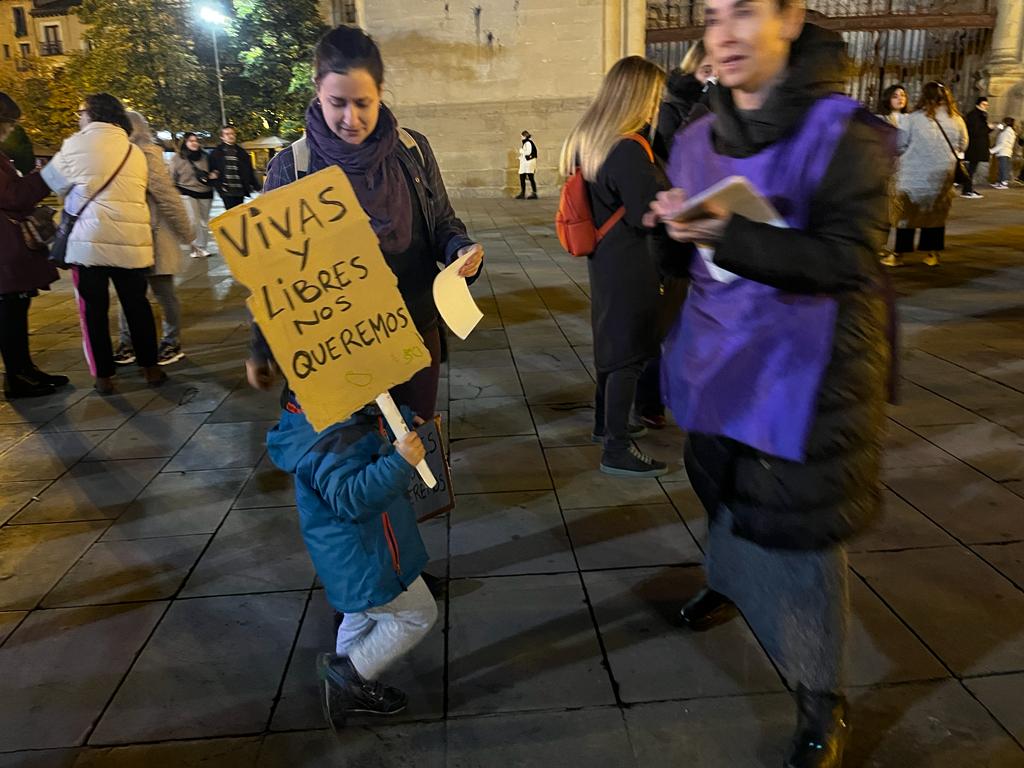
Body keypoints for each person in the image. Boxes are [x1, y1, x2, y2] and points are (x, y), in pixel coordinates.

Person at [649, 6, 894, 766]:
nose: (723, 33)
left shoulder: (844, 136)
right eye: (712, 15)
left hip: (805, 375)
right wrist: (669, 229)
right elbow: (681, 265)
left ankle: (822, 698)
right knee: (719, 488)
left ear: (789, 18)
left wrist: (729, 234)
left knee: (801, 537)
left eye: (745, 10)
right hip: (718, 361)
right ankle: (727, 584)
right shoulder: (697, 136)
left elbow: (850, 261)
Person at [246, 25, 483, 424]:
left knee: (413, 446)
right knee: (352, 457)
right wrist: (260, 346)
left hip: (413, 332)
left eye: (363, 103)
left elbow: (443, 221)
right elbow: (272, 274)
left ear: (381, 92)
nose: (351, 118)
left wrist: (460, 249)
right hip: (334, 348)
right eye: (337, 102)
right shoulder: (291, 167)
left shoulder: (412, 150)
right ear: (317, 90)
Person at [266, 395, 436, 728]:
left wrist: (403, 417)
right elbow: (350, 498)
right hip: (366, 558)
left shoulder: (338, 412)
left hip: (365, 552)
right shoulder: (328, 441)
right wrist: (399, 462)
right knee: (416, 615)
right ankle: (349, 676)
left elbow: (368, 419)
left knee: (360, 615)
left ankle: (345, 684)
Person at [559, 56, 671, 478]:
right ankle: (617, 448)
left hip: (605, 259)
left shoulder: (591, 141)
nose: (656, 106)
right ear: (637, 97)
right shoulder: (627, 148)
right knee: (629, 353)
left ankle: (604, 424)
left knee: (611, 343)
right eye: (654, 97)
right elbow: (646, 213)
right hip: (632, 261)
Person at [40, 93, 165, 395]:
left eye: (80, 111)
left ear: (92, 113)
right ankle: (150, 367)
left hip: (89, 243)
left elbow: (53, 182)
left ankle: (103, 376)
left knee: (93, 311)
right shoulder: (133, 151)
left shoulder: (76, 144)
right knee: (137, 305)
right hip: (131, 241)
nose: (79, 117)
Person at [0, 91, 68, 399]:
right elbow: (11, 196)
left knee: (17, 306)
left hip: (8, 244)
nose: (12, 129)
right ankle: (17, 376)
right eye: (10, 122)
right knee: (10, 311)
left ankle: (25, 369)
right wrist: (44, 178)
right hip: (5, 248)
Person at [113, 112, 193, 368]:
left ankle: (171, 341)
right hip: (129, 235)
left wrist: (186, 231)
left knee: (163, 292)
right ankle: (128, 342)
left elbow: (166, 195)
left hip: (154, 234)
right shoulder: (114, 155)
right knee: (128, 293)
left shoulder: (148, 154)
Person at [885, 81, 967, 268]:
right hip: (943, 175)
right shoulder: (957, 120)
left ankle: (898, 255)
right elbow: (963, 144)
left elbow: (900, 145)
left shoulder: (912, 119)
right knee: (936, 213)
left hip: (914, 175)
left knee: (907, 214)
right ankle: (932, 254)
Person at [655, 39, 716, 157]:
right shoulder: (670, 109)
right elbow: (674, 154)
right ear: (692, 71)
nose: (714, 77)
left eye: (720, 71)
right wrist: (703, 106)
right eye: (706, 71)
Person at [170, 132, 218, 259]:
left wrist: (214, 174)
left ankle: (202, 247)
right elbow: (172, 176)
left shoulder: (205, 156)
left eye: (196, 140)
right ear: (185, 142)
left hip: (205, 192)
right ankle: (195, 248)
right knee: (193, 221)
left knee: (204, 222)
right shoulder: (177, 158)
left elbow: (215, 170)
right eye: (191, 141)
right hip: (186, 191)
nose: (194, 143)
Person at [876, 84, 908, 259]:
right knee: (883, 209)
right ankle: (880, 243)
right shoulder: (880, 119)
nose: (900, 99)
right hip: (884, 169)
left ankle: (900, 249)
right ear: (888, 99)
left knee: (903, 210)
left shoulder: (911, 120)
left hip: (904, 169)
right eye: (895, 96)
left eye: (902, 95)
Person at [209, 126, 257, 210]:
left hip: (240, 190)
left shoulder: (242, 152)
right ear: (222, 137)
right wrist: (219, 186)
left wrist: (256, 186)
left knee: (240, 212)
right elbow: (212, 170)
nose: (230, 136)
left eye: (232, 133)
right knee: (230, 213)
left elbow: (249, 171)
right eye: (227, 134)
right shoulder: (216, 153)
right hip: (226, 190)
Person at [962, 96, 992, 198]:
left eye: (987, 105)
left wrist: (988, 128)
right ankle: (967, 190)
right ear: (978, 104)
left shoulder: (980, 115)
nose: (985, 107)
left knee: (972, 170)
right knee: (970, 170)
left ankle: (968, 189)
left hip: (977, 147)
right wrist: (988, 128)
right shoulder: (974, 115)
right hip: (974, 147)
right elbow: (975, 131)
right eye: (984, 104)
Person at [991, 117, 1016, 189]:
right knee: (1000, 167)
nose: (1001, 124)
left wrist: (992, 151)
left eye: (1003, 122)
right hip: (1003, 151)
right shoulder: (1006, 131)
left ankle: (1004, 182)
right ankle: (999, 181)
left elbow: (1002, 144)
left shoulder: (1007, 132)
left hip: (1004, 151)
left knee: (1003, 167)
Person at [516, 130, 538, 199]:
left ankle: (534, 193)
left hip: (528, 163)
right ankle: (523, 193)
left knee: (530, 177)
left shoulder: (528, 143)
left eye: (521, 136)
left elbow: (528, 152)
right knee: (522, 177)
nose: (521, 137)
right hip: (525, 163)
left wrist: (521, 151)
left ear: (524, 136)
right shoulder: (526, 142)